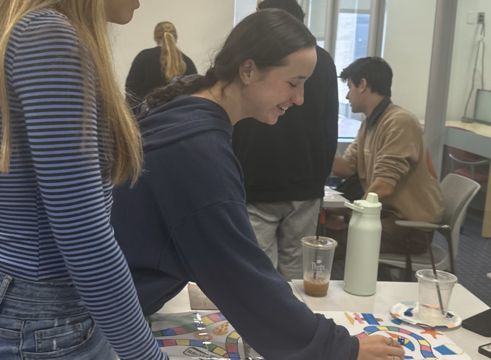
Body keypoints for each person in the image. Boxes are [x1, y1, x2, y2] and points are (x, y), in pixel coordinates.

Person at [112, 9, 404, 360]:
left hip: (113, 303)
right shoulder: (198, 151)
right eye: (293, 83)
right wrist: (342, 347)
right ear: (248, 70)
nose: (299, 99)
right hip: (96, 317)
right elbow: (242, 277)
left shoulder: (185, 105)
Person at [0, 1, 168, 359]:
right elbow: (82, 236)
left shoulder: (24, 31)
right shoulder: (46, 36)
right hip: (42, 324)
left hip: (41, 316)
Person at [232, 0, 339, 280]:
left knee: (257, 273)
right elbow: (330, 126)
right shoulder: (323, 60)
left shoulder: (250, 63)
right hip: (305, 184)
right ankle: (296, 323)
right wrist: (319, 178)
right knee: (298, 275)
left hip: (255, 181)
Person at [330, 57, 444, 256]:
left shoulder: (399, 122)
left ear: (363, 85)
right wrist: (314, 150)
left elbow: (384, 186)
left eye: (349, 87)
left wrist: (352, 219)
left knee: (324, 239)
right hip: (386, 217)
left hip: (408, 228)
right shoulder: (370, 123)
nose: (347, 95)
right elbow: (347, 167)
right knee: (321, 224)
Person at [125, 21, 197, 100]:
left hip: (149, 111)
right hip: (180, 111)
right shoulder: (187, 62)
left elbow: (130, 92)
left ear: (156, 38)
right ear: (176, 38)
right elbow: (196, 94)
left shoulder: (143, 57)